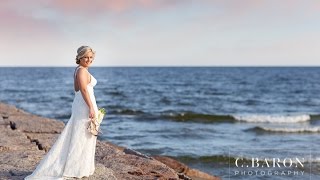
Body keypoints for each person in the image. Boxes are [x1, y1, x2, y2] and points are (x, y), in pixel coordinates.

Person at [25, 46, 98, 179]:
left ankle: (81, 166)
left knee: (82, 135)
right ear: (80, 58)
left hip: (82, 105)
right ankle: (75, 168)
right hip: (84, 107)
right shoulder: (81, 71)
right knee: (80, 136)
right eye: (86, 57)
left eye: (91, 57)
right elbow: (83, 89)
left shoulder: (80, 70)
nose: (89, 60)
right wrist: (91, 107)